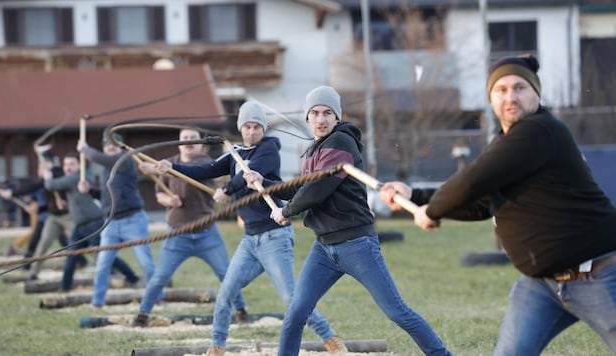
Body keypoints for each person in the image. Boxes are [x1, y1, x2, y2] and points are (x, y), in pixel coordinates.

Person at [379, 55, 616, 355]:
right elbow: (481, 203)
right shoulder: (507, 143)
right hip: (541, 286)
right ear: (490, 98)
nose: (510, 97)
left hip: (598, 275)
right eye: (501, 90)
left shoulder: (540, 131)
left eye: (519, 88)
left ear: (536, 93)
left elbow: (471, 181)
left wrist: (433, 211)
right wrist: (414, 196)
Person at [243, 86, 451, 356]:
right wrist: (264, 184)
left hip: (356, 244)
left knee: (396, 311)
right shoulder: (313, 151)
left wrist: (286, 211)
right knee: (296, 313)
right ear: (307, 118)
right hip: (323, 249)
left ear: (337, 117)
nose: (321, 119)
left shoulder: (341, 143)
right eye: (315, 113)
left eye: (327, 113)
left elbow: (319, 189)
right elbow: (299, 188)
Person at [154, 101, 347, 356]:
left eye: (257, 127)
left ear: (263, 129)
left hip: (274, 237)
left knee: (291, 299)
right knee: (225, 293)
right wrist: (174, 168)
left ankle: (331, 339)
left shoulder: (268, 150)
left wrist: (227, 189)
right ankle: (217, 347)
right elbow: (207, 169)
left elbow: (249, 175)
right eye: (247, 126)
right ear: (240, 128)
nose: (252, 131)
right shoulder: (234, 153)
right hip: (250, 240)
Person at [131, 128, 247, 327]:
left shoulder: (207, 164)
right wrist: (170, 199)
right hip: (177, 233)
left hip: (207, 233)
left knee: (226, 274)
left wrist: (160, 168)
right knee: (160, 277)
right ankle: (142, 314)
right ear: (179, 143)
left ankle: (241, 310)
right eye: (184, 139)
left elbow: (191, 171)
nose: (189, 142)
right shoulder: (168, 163)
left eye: (193, 139)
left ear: (201, 144)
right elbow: (159, 194)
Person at [77, 133, 156, 307]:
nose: (109, 147)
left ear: (120, 146)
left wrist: (84, 149)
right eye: (106, 145)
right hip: (111, 223)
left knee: (146, 263)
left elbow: (97, 157)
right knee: (102, 265)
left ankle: (158, 298)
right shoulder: (107, 168)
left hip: (133, 219)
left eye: (113, 144)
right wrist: (89, 190)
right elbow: (106, 197)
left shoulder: (124, 160)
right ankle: (97, 302)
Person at [43, 152, 140, 292]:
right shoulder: (71, 179)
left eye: (72, 164)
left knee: (104, 255)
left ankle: (132, 278)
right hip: (79, 226)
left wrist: (48, 177)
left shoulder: (78, 178)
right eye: (65, 164)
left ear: (79, 165)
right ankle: (64, 288)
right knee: (71, 256)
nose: (68, 167)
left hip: (94, 224)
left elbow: (52, 185)